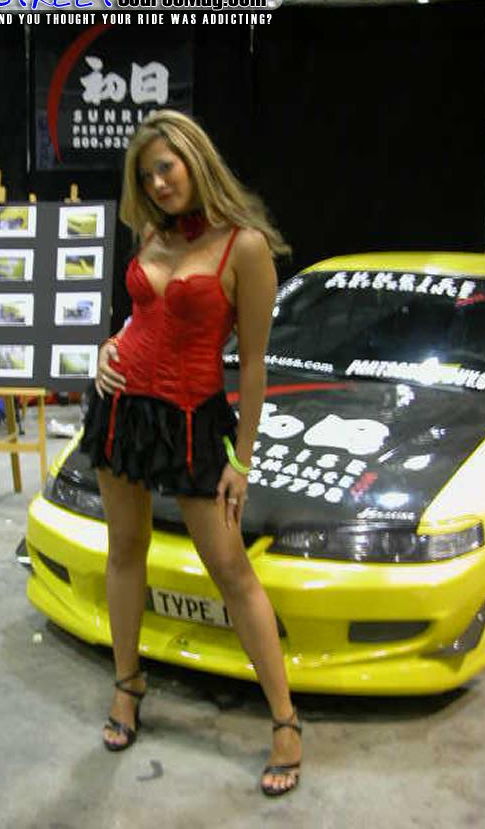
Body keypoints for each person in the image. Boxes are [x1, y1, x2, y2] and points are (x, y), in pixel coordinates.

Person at [79, 110, 302, 797]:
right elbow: (140, 318)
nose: (157, 183)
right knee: (125, 549)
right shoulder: (151, 232)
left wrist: (243, 459)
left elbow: (255, 365)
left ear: (195, 160)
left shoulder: (245, 247)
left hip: (194, 422)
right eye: (146, 174)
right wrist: (107, 348)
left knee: (231, 569)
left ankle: (286, 720)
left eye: (166, 167)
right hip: (122, 412)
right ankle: (128, 683)